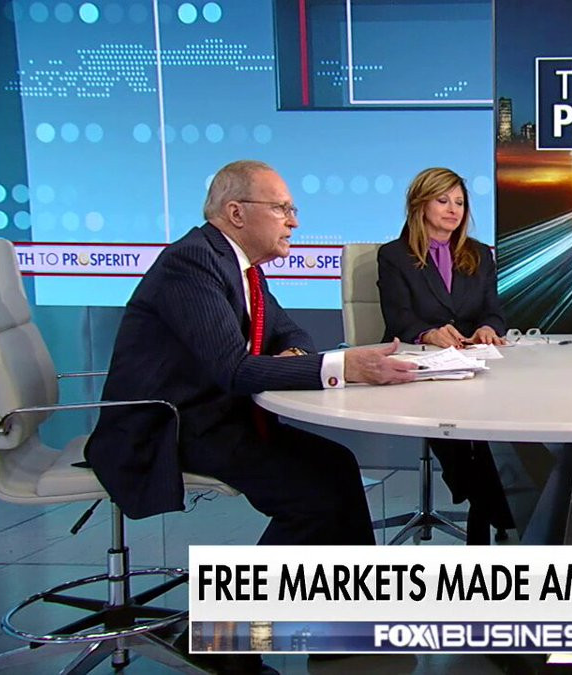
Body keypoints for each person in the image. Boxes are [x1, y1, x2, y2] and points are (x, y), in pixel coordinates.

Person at [85, 160, 417, 673]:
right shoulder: (192, 263)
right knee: (311, 497)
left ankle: (345, 629)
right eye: (282, 209)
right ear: (236, 213)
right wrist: (343, 366)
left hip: (217, 416)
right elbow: (233, 370)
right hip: (170, 427)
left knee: (337, 466)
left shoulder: (242, 268)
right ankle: (221, 638)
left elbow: (289, 332)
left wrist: (294, 356)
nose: (294, 221)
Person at [377, 167, 514, 545]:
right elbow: (398, 317)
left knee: (486, 431)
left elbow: (494, 311)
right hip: (421, 365)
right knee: (450, 424)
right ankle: (489, 506)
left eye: (459, 202)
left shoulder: (479, 254)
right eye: (443, 200)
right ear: (420, 205)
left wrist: (487, 328)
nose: (454, 210)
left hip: (472, 364)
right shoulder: (394, 255)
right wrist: (429, 333)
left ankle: (482, 503)